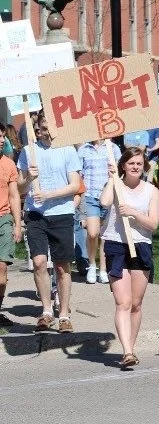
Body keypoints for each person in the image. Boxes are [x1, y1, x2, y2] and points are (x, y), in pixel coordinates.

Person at [17, 117, 81, 333]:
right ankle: (46, 311)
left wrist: (49, 194)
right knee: (39, 261)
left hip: (61, 213)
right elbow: (19, 186)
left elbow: (75, 185)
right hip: (36, 214)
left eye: (49, 128)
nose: (46, 133)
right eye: (42, 129)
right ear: (37, 129)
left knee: (63, 266)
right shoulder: (28, 151)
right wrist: (28, 178)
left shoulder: (68, 150)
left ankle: (63, 314)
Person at [99, 148, 159, 367]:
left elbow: (153, 224)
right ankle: (126, 351)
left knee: (136, 303)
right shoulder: (116, 184)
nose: (135, 167)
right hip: (116, 244)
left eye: (139, 164)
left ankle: (131, 348)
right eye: (131, 163)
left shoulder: (151, 191)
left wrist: (133, 212)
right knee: (122, 302)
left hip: (141, 245)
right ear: (123, 165)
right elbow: (105, 203)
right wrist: (111, 178)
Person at [78, 139, 122, 284]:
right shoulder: (83, 149)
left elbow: (120, 171)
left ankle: (103, 269)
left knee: (104, 235)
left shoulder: (113, 148)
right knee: (92, 233)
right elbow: (79, 175)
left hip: (108, 195)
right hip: (90, 196)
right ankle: (92, 265)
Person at [0, 125, 22, 328]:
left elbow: (14, 195)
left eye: (2, 136)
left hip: (4, 218)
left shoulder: (8, 164)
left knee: (2, 269)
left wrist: (17, 224)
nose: (0, 140)